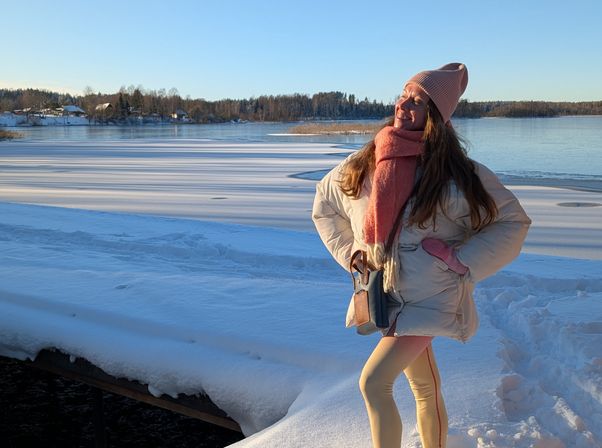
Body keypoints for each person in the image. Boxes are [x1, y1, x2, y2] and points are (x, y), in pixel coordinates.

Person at [311, 63, 531, 448]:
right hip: (387, 296)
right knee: (424, 385)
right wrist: (352, 252)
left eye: (417, 101)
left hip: (432, 298)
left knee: (374, 383)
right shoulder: (366, 161)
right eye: (404, 95)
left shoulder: (459, 174)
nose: (403, 105)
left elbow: (513, 222)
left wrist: (461, 261)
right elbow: (325, 205)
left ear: (436, 116)